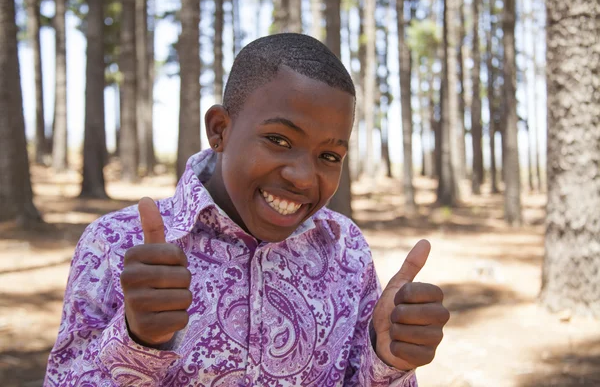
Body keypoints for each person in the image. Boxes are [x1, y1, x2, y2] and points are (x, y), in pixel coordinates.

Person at [45, 33, 449, 386]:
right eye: (278, 139)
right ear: (220, 130)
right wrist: (139, 341)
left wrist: (388, 362)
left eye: (329, 155)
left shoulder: (347, 251)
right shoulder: (115, 244)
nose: (304, 178)